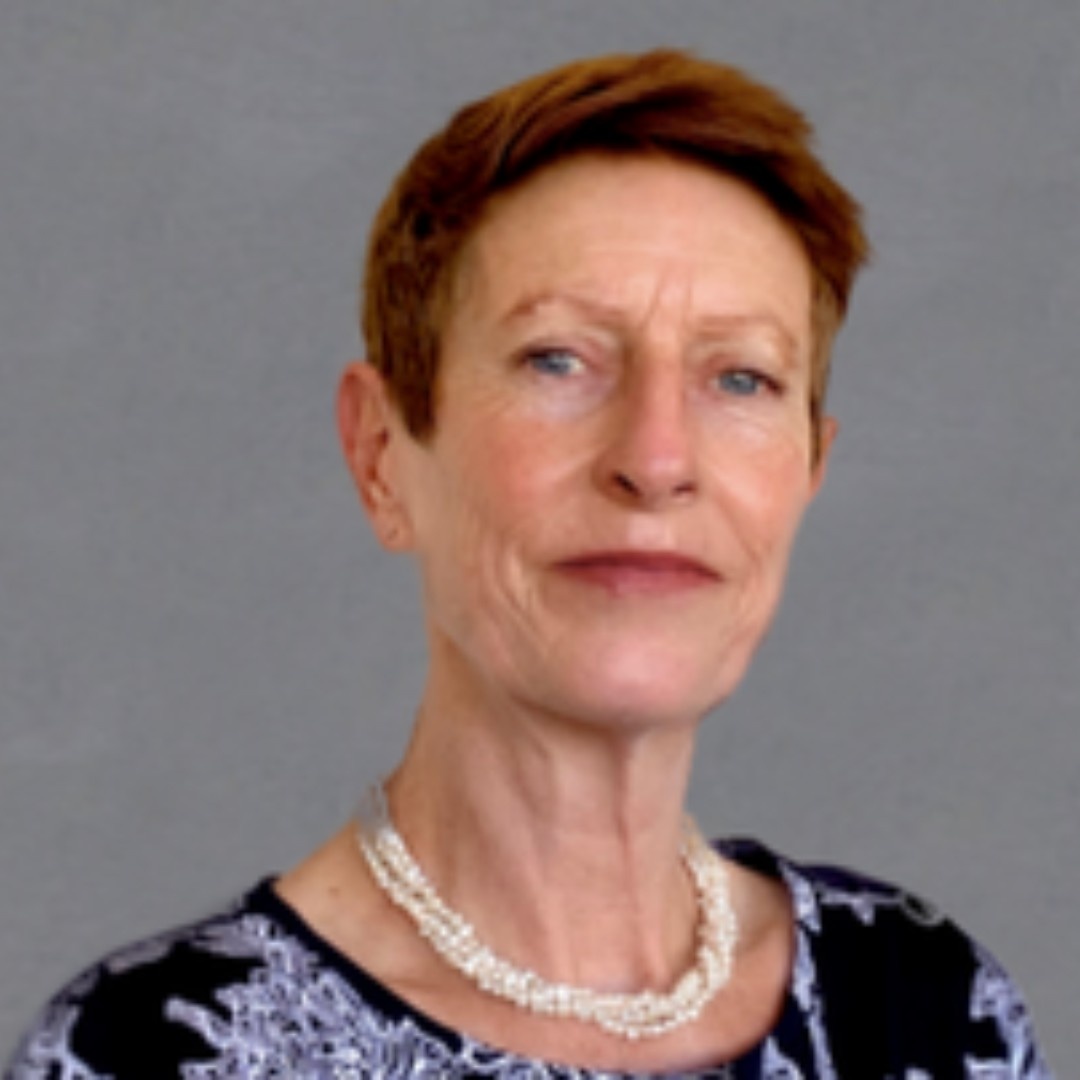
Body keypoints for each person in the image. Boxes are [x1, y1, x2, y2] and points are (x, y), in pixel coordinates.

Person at [5, 49, 1052, 1079]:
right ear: (382, 456)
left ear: (809, 470)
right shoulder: (151, 1052)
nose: (656, 461)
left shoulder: (931, 1010)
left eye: (740, 379)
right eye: (558, 360)